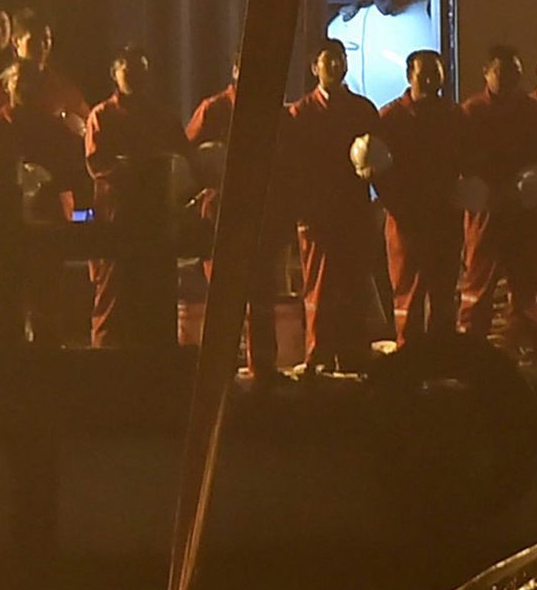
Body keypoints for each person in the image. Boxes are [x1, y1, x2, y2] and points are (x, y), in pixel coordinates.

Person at [283, 37, 385, 375]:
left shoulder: (362, 109)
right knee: (320, 286)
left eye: (340, 60)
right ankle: (319, 354)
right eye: (328, 61)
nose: (335, 66)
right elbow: (292, 167)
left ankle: (353, 352)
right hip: (317, 214)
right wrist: (300, 211)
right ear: (315, 68)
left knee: (354, 283)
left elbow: (380, 157)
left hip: (353, 210)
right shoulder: (300, 113)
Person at [0, 58, 91, 347]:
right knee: (9, 294)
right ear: (8, 86)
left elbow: (75, 171)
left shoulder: (54, 128)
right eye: (19, 81)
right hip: (9, 223)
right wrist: (16, 178)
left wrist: (48, 179)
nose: (25, 88)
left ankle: (47, 353)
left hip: (50, 219)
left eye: (31, 82)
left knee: (49, 294)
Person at [185, 59, 281, 381]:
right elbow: (188, 155)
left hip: (262, 211)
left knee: (263, 294)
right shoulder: (213, 109)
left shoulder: (271, 110)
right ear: (236, 70)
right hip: (222, 213)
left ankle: (263, 367)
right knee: (225, 294)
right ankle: (219, 370)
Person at [84, 47, 186, 349]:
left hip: (156, 222)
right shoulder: (101, 116)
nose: (136, 78)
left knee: (157, 298)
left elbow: (184, 156)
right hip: (118, 221)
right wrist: (132, 171)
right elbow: (96, 163)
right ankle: (106, 362)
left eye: (141, 71)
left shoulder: (163, 117)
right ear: (115, 74)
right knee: (114, 299)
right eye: (128, 71)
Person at [459, 45, 537, 352]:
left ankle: (527, 350)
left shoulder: (535, 113)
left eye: (514, 71)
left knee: (525, 285)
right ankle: (470, 353)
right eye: (501, 71)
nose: (508, 78)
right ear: (486, 72)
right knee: (478, 284)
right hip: (486, 211)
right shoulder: (471, 112)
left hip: (524, 212)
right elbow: (457, 158)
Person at [377, 49, 464, 344]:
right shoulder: (390, 118)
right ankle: (408, 358)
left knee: (443, 290)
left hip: (444, 217)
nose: (429, 78)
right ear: (408, 75)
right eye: (423, 72)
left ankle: (442, 357)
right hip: (407, 220)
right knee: (408, 292)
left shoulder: (453, 116)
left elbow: (467, 161)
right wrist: (398, 207)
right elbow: (377, 172)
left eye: (435, 72)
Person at [0, 8, 90, 139]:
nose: (42, 45)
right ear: (16, 41)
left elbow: (87, 123)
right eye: (34, 39)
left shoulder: (60, 87)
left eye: (46, 39)